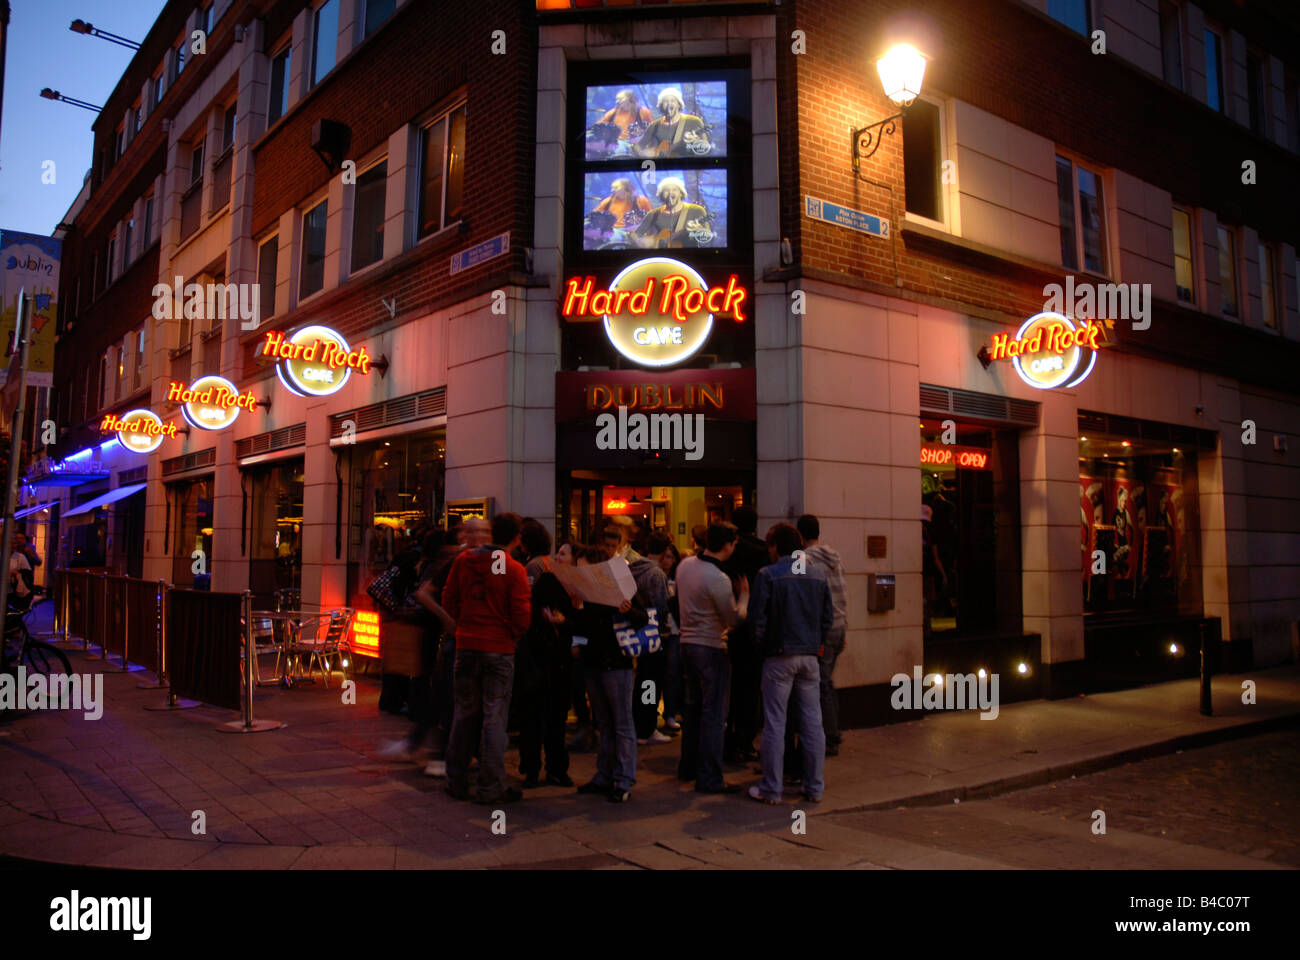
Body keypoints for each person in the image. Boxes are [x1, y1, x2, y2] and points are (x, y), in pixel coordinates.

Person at [441, 513, 532, 804]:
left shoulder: (463, 561)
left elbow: (449, 600)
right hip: (498, 648)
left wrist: (466, 623)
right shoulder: (513, 569)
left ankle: (455, 779)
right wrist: (511, 633)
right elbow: (522, 616)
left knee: (464, 712)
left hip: (466, 644)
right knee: (494, 718)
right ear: (516, 539)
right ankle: (490, 786)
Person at [748, 523, 831, 805]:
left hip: (779, 654)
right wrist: (817, 646)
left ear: (774, 547)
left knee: (775, 722)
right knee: (812, 722)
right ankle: (814, 786)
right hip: (809, 655)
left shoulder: (768, 574)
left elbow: (757, 620)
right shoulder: (819, 574)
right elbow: (827, 618)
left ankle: (772, 788)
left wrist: (763, 649)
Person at [675, 522, 748, 793]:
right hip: (711, 646)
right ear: (728, 545)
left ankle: (688, 767)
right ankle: (709, 777)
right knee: (714, 714)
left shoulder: (685, 566)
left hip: (686, 644)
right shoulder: (718, 578)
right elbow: (732, 618)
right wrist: (745, 599)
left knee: (692, 709)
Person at [571, 544, 646, 803]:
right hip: (594, 661)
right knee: (604, 722)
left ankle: (623, 778)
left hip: (616, 661)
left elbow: (643, 618)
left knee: (622, 722)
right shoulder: (584, 593)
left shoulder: (619, 587)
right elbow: (581, 624)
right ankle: (605, 774)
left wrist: (627, 610)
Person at [376, 530, 458, 764]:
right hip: (437, 636)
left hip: (427, 633)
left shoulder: (428, 565)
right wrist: (447, 619)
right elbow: (423, 595)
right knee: (440, 693)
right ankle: (433, 751)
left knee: (434, 691)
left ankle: (421, 744)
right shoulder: (442, 567)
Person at [603, 521, 671, 746]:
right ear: (664, 552)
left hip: (633, 632)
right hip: (653, 635)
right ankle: (647, 725)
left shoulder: (632, 569)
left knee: (642, 679)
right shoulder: (657, 575)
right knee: (650, 682)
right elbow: (660, 609)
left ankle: (640, 721)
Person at [516, 540, 577, 789]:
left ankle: (556, 768)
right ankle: (531, 768)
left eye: (564, 554)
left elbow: (581, 620)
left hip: (561, 659)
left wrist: (568, 621)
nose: (557, 556)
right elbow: (531, 610)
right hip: (539, 657)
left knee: (556, 718)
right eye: (558, 552)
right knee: (533, 716)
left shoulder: (578, 586)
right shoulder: (547, 581)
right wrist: (544, 617)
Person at [796, 514, 848, 756]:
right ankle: (833, 731)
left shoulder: (802, 559)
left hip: (822, 629)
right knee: (827, 680)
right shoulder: (835, 558)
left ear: (800, 535)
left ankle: (830, 736)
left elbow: (799, 594)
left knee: (822, 683)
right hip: (839, 626)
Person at [724, 505, 768, 764]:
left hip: (729, 624)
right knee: (750, 687)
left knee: (729, 685)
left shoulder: (730, 552)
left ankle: (728, 738)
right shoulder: (764, 552)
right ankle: (745, 739)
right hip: (755, 627)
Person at [647, 534, 682, 732]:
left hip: (674, 632)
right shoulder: (655, 576)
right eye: (665, 556)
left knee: (671, 675)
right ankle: (650, 713)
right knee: (651, 677)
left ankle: (670, 713)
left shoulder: (679, 578)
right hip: (656, 632)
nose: (666, 560)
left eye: (670, 557)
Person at [633, 177, 710, 250]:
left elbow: (708, 237)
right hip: (662, 258)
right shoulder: (654, 214)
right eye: (666, 190)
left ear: (681, 193)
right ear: (661, 194)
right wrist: (644, 243)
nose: (670, 193)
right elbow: (635, 235)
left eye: (674, 189)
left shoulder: (696, 210)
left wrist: (698, 231)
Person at [635, 87, 709, 158]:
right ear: (661, 105)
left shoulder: (694, 121)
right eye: (665, 102)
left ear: (679, 104)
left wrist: (696, 143)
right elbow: (638, 146)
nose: (669, 104)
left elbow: (706, 149)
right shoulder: (654, 125)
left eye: (672, 101)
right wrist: (642, 154)